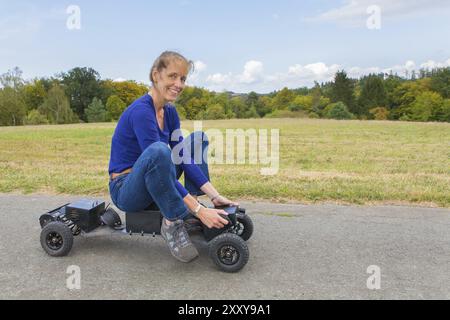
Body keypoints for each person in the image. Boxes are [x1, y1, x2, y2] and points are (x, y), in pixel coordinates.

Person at [108, 51, 239, 263]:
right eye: (173, 76)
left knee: (197, 140)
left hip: (154, 178)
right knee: (159, 151)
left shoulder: (169, 112)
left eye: (183, 79)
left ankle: (190, 204)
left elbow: (184, 158)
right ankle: (172, 222)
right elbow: (156, 160)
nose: (179, 84)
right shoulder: (141, 111)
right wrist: (199, 211)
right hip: (126, 188)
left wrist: (214, 196)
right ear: (156, 75)